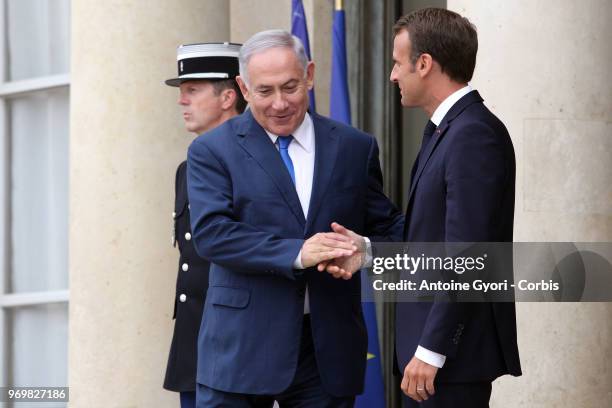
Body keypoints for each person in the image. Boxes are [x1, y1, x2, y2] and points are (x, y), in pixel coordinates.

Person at [186, 29, 403, 407]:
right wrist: (298, 252)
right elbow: (212, 234)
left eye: (290, 87)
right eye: (265, 91)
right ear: (243, 87)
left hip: (326, 355)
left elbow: (391, 230)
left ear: (310, 76)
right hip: (240, 350)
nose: (279, 103)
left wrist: (364, 250)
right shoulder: (211, 150)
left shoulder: (355, 147)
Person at [324, 7, 522, 407]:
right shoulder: (447, 132)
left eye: (398, 63)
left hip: (448, 362)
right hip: (433, 362)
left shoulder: (472, 136)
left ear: (425, 63)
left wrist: (432, 350)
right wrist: (368, 253)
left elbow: (467, 255)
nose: (392, 75)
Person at [162, 42, 246, 408]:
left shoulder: (255, 164)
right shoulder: (187, 169)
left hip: (237, 346)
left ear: (228, 97)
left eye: (192, 91)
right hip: (194, 342)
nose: (182, 101)